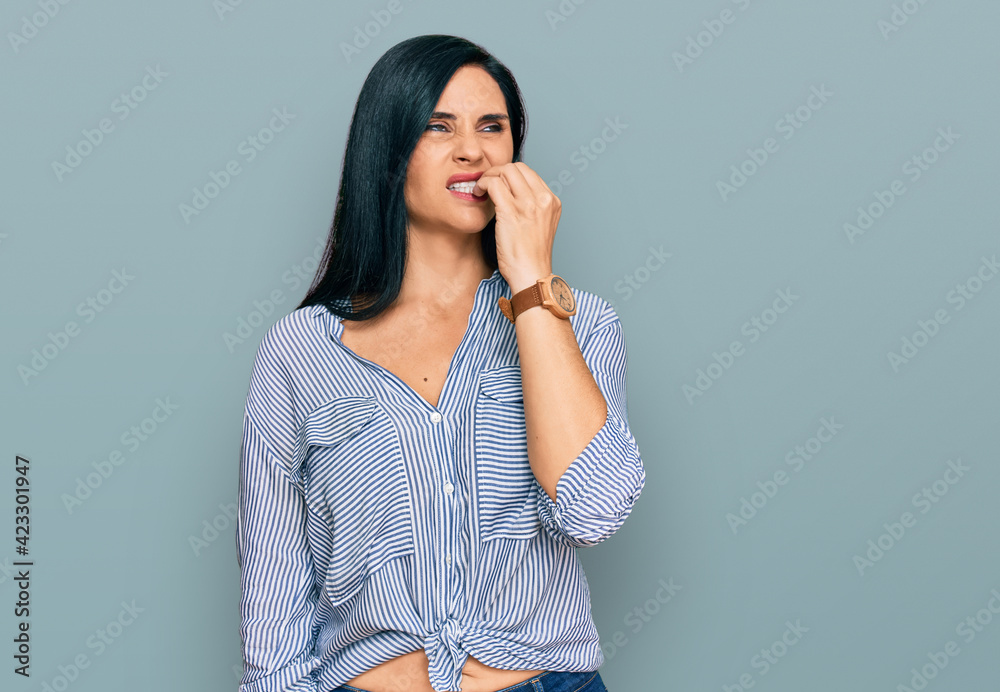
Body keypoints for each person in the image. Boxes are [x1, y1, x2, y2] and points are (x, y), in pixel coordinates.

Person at [236, 34, 645, 692]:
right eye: (437, 126)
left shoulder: (581, 324)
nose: (473, 150)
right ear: (389, 151)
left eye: (493, 127)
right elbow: (273, 601)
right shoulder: (300, 352)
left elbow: (593, 510)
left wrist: (533, 281)